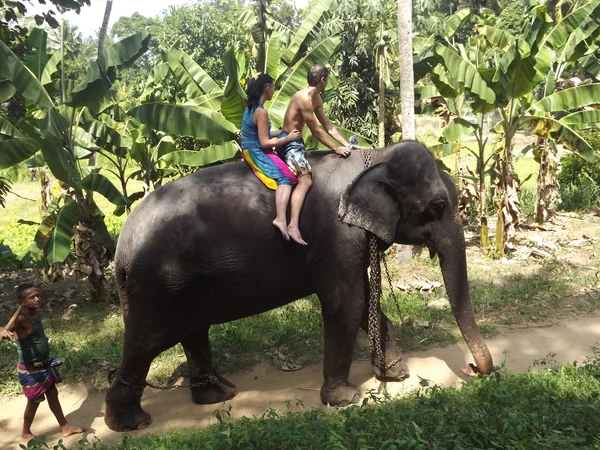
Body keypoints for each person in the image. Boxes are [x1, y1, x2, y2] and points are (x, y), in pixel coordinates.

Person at [0, 282, 85, 444]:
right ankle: (25, 432)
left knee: (53, 394)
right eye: (32, 297)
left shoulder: (33, 314)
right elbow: (6, 330)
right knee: (34, 402)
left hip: (43, 366)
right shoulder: (22, 319)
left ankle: (65, 427)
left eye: (38, 295)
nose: (37, 299)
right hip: (30, 371)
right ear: (22, 302)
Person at [277, 64, 351, 245]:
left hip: (298, 143)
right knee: (306, 180)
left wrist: (346, 144)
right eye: (328, 78)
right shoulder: (303, 99)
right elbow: (316, 132)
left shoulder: (316, 98)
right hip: (289, 144)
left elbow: (329, 126)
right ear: (323, 79)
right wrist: (335, 149)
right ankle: (292, 226)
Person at [241, 73, 302, 241]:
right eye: (273, 89)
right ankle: (280, 218)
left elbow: (263, 132)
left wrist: (282, 132)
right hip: (256, 151)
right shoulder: (261, 112)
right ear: (267, 89)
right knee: (286, 178)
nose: (274, 92)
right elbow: (265, 142)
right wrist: (288, 139)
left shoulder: (252, 106)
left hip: (252, 147)